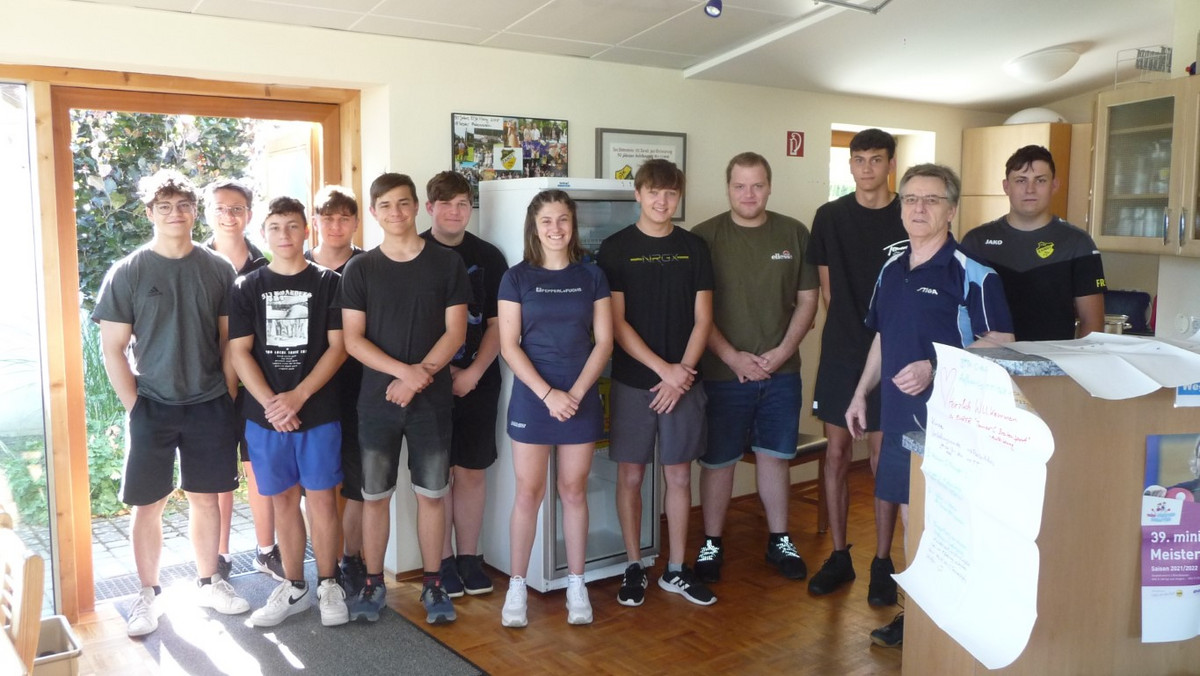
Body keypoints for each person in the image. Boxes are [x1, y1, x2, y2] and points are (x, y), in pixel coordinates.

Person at [846, 163, 1014, 649]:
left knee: (945, 521)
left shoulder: (973, 273)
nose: (919, 208)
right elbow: (883, 335)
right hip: (901, 419)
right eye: (911, 199)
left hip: (954, 422)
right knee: (909, 516)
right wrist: (860, 392)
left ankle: (949, 619)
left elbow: (1002, 341)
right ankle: (919, 617)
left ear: (951, 210)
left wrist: (935, 367)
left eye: (932, 200)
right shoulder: (891, 269)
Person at [92, 169, 249, 637]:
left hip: (209, 403)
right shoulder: (129, 271)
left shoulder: (218, 269)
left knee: (206, 498)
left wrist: (226, 393)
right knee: (148, 504)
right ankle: (147, 595)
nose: (175, 214)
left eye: (183, 205)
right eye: (164, 207)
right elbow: (112, 348)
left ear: (195, 211)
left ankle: (209, 581)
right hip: (152, 405)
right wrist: (135, 406)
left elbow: (229, 342)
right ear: (150, 213)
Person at [339, 173, 470, 625]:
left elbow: (456, 332)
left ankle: (434, 583)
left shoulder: (447, 263)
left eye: (402, 203)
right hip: (377, 402)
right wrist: (404, 373)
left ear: (416, 206)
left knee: (432, 494)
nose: (395, 212)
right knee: (375, 496)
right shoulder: (360, 269)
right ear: (373, 213)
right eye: (385, 205)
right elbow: (353, 340)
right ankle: (374, 583)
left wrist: (418, 379)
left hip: (431, 404)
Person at [690, 152, 820, 585]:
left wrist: (781, 354)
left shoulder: (794, 233)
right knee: (718, 462)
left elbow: (807, 301)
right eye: (740, 186)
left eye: (757, 185)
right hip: (722, 375)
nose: (749, 194)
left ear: (769, 187)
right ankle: (712, 542)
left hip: (781, 373)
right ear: (728, 187)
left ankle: (779, 539)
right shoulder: (704, 237)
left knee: (774, 457)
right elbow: (697, 312)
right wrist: (732, 357)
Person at [596, 159, 716, 607]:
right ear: (638, 195)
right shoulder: (616, 248)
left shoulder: (695, 247)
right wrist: (663, 370)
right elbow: (617, 323)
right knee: (631, 474)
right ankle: (634, 565)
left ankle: (676, 569)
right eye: (654, 192)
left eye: (670, 193)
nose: (662, 201)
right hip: (634, 381)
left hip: (684, 381)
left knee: (679, 474)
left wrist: (679, 374)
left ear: (678, 197)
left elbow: (704, 319)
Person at [227, 197, 348, 628]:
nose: (284, 235)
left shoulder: (330, 282)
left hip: (318, 411)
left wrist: (298, 396)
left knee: (323, 499)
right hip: (266, 417)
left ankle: (329, 583)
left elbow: (339, 347)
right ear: (263, 234)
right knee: (282, 500)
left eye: (293, 226)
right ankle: (294, 586)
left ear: (305, 231)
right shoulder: (246, 287)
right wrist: (271, 403)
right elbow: (239, 352)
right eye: (275, 227)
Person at [497, 189, 613, 627]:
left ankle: (576, 585)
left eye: (563, 219)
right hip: (533, 398)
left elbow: (604, 342)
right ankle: (517, 587)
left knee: (573, 490)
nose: (556, 228)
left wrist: (576, 394)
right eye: (546, 220)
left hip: (580, 397)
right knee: (528, 493)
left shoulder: (592, 275)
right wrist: (549, 395)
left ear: (573, 224)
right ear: (534, 226)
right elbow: (509, 345)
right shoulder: (516, 278)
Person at [805, 129, 910, 602]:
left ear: (891, 164)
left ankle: (883, 561)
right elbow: (829, 292)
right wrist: (856, 340)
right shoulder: (829, 216)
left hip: (896, 352)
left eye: (876, 159)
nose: (867, 168)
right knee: (837, 454)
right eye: (859, 159)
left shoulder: (909, 212)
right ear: (849, 165)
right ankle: (839, 555)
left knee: (883, 459)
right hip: (843, 351)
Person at [419, 171, 508, 598]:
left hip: (480, 381)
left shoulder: (489, 257)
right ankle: (442, 562)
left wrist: (472, 374)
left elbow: (499, 324)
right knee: (437, 477)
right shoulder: (413, 252)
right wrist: (436, 374)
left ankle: (469, 557)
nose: (455, 212)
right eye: (446, 204)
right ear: (429, 207)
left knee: (471, 471)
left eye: (462, 204)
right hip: (425, 384)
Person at [202, 178, 285, 585]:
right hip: (207, 388)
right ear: (207, 213)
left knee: (258, 468)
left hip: (256, 385)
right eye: (219, 208)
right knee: (218, 474)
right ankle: (217, 555)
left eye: (236, 208)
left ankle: (267, 550)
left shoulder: (266, 268)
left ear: (249, 215)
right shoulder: (195, 263)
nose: (228, 216)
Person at [960, 144, 1107, 341]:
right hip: (987, 357)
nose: (1030, 189)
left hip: (1051, 359)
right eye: (1021, 180)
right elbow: (957, 311)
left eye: (1040, 180)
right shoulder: (976, 241)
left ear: (1054, 185)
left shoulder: (1078, 244)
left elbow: (1093, 323)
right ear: (1006, 186)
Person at [304, 185, 369, 598]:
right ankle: (323, 563)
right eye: (327, 218)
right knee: (318, 483)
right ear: (315, 222)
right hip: (311, 392)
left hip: (361, 388)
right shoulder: (298, 265)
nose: (335, 226)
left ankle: (353, 558)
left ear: (356, 222)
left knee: (359, 480)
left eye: (344, 218)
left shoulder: (369, 265)